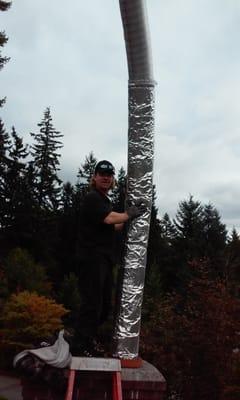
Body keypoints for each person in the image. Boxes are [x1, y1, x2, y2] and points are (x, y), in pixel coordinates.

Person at [74, 160, 145, 356]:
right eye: (102, 173)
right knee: (92, 303)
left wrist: (130, 215)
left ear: (112, 179)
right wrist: (128, 214)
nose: (106, 177)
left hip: (103, 259)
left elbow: (115, 225)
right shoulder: (92, 198)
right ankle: (80, 345)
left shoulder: (105, 201)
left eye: (109, 174)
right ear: (94, 177)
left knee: (104, 306)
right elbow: (109, 219)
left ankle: (85, 339)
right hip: (91, 258)